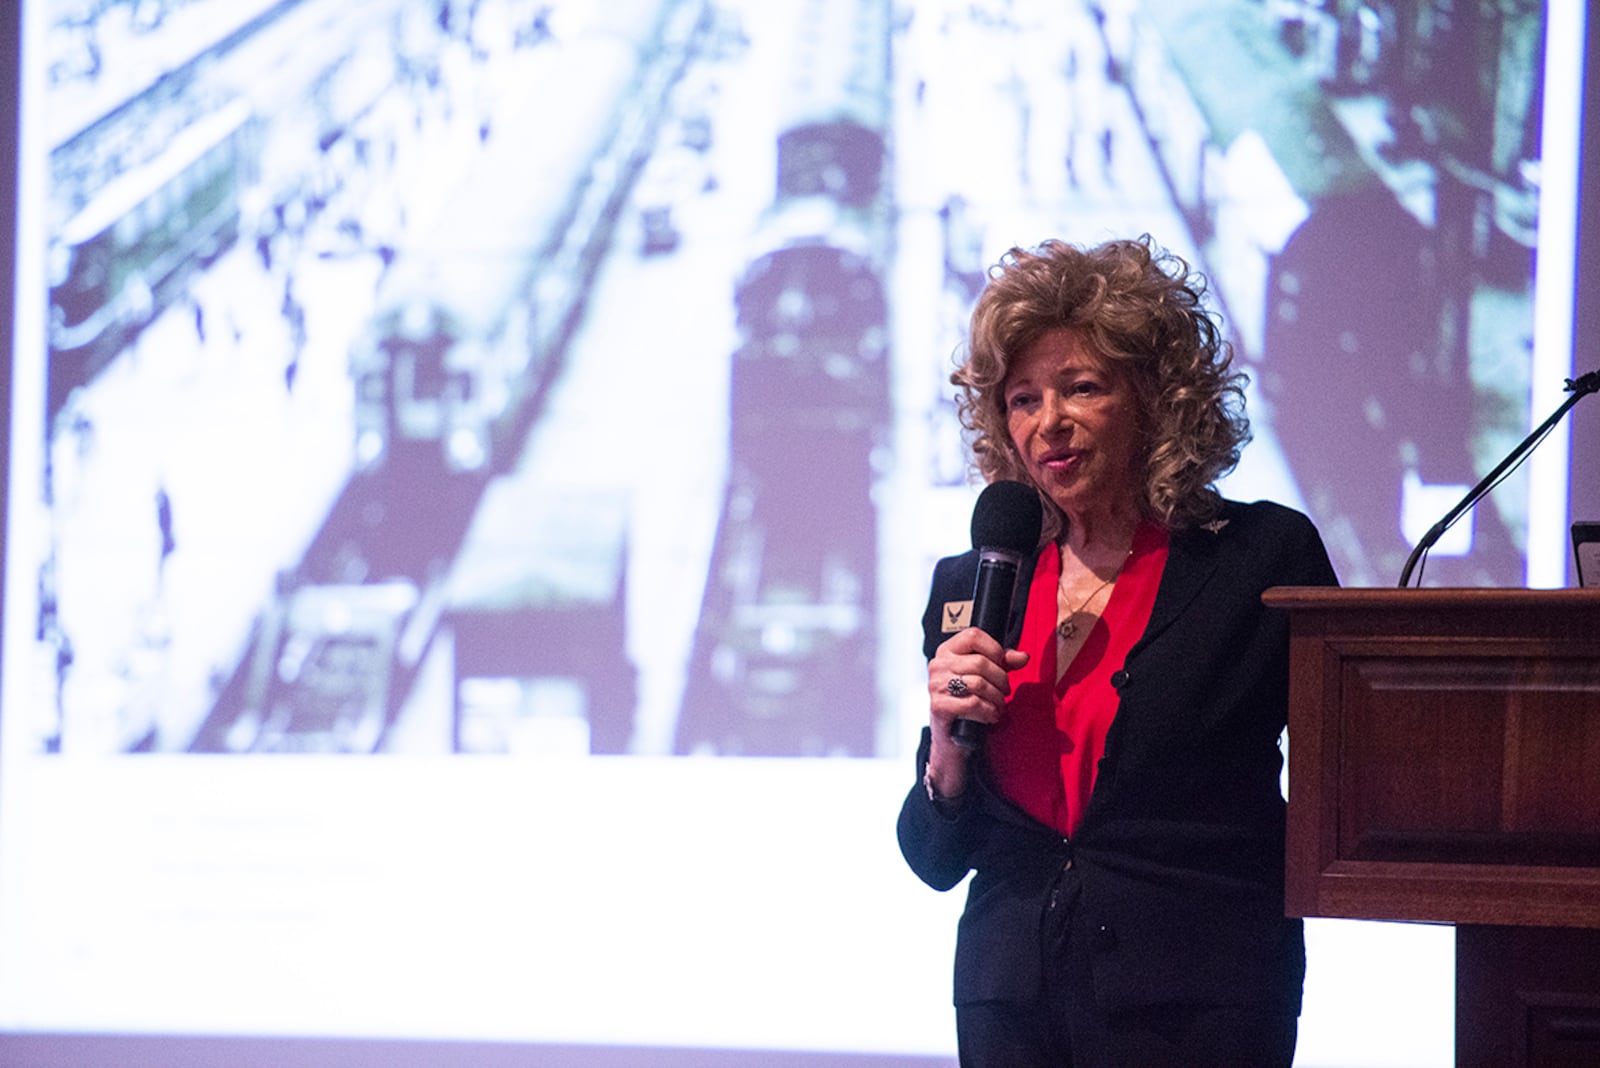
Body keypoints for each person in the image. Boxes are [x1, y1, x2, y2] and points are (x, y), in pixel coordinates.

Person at [897, 235, 1340, 1067]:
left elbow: (1348, 780)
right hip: (1009, 996)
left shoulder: (1257, 560)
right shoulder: (976, 582)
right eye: (1022, 400)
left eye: (1081, 388)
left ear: (1157, 398)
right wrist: (948, 764)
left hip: (1200, 994)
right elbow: (933, 855)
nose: (1047, 423)